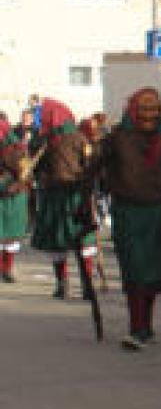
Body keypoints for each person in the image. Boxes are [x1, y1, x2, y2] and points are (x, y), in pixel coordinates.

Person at [102, 88, 161, 351]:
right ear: (134, 111)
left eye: (154, 109)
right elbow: (96, 168)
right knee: (135, 271)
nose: (149, 115)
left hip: (159, 215)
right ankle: (136, 327)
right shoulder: (117, 139)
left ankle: (145, 326)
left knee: (151, 275)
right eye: (144, 109)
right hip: (128, 214)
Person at [30, 99, 94, 300]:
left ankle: (63, 284)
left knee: (60, 242)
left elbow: (36, 169)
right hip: (74, 194)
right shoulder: (79, 138)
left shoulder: (47, 141)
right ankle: (85, 285)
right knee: (81, 240)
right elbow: (90, 166)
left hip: (61, 195)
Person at [0, 126, 29, 283]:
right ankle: (5, 270)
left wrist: (17, 184)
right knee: (6, 235)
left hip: (13, 195)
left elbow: (26, 174)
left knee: (9, 235)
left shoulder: (19, 150)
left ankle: (6, 269)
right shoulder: (21, 149)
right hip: (13, 194)